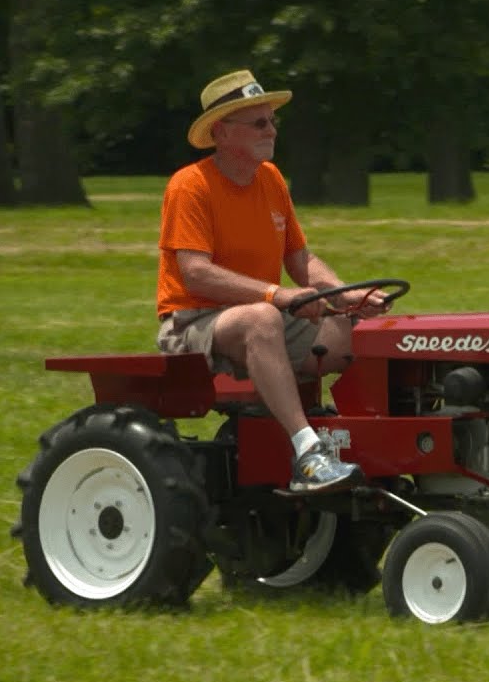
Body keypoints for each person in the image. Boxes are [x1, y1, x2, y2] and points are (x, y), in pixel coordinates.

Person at [155, 69, 390, 493]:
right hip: (195, 322)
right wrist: (277, 295)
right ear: (223, 133)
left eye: (273, 121)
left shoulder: (271, 180)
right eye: (259, 123)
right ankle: (308, 454)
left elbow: (300, 259)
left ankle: (362, 437)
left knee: (359, 330)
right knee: (262, 319)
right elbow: (196, 272)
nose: (272, 130)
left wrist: (349, 294)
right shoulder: (189, 186)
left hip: (262, 313)